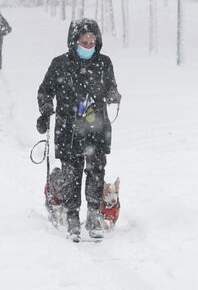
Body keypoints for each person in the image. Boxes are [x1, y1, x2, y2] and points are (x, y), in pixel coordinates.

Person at [36, 18, 121, 241]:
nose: (88, 45)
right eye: (83, 42)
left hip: (97, 129)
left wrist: (113, 94)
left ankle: (93, 216)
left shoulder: (104, 63)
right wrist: (46, 110)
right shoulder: (59, 65)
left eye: (91, 41)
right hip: (69, 130)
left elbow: (111, 85)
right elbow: (45, 91)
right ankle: (73, 218)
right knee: (71, 176)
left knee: (96, 173)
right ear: (73, 42)